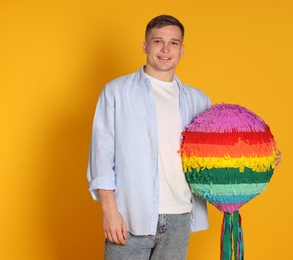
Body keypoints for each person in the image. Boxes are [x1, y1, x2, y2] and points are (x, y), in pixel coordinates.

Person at [87, 15, 211, 260]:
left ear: (182, 50)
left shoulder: (199, 100)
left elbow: (214, 152)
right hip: (130, 216)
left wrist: (259, 157)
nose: (166, 49)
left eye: (174, 43)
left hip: (180, 217)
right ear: (145, 46)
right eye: (158, 41)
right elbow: (101, 155)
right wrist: (109, 210)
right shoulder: (116, 92)